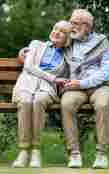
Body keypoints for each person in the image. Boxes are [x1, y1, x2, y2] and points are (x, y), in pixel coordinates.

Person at [11, 20, 72, 168]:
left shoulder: (68, 56)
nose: (56, 32)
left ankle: (36, 150)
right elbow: (29, 66)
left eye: (62, 32)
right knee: (25, 101)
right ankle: (24, 151)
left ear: (67, 38)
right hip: (26, 82)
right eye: (55, 28)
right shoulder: (36, 44)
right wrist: (54, 78)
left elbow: (74, 72)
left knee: (38, 101)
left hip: (47, 88)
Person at [60, 9, 109, 169]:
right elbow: (49, 45)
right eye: (71, 22)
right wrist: (26, 52)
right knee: (67, 104)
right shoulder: (69, 40)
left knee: (102, 105)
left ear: (87, 26)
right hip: (76, 87)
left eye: (75, 23)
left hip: (100, 86)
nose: (71, 26)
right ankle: (74, 154)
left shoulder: (102, 41)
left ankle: (102, 154)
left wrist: (82, 83)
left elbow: (106, 72)